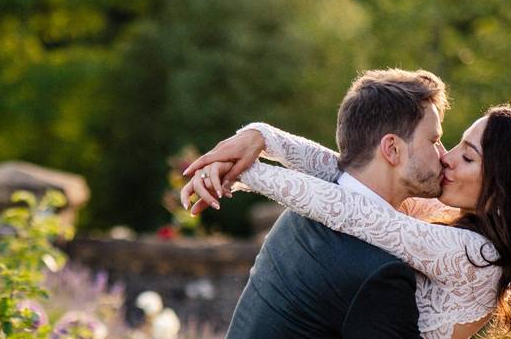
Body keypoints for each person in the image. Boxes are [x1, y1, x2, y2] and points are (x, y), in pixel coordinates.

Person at [182, 75, 511, 339]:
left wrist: (247, 173)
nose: (447, 157)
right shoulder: (461, 231)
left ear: (503, 188)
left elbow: (356, 211)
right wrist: (260, 137)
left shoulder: (477, 255)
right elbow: (344, 174)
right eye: (447, 142)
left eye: (468, 156)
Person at [183, 68, 451, 338]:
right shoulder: (379, 273)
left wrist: (259, 135)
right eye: (435, 141)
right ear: (392, 149)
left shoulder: (298, 220)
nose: (444, 155)